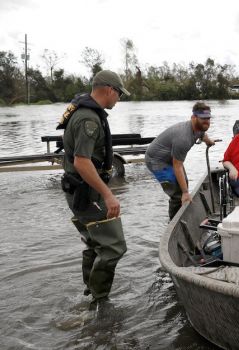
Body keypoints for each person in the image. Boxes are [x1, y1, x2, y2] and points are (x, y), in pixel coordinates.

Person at [58, 70, 130, 303]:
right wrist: (108, 195)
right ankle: (100, 301)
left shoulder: (85, 112)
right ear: (109, 89)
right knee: (114, 247)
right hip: (86, 194)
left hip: (81, 191)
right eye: (119, 93)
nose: (119, 98)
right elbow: (81, 162)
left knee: (94, 242)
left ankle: (90, 291)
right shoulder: (88, 118)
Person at [145, 102, 215, 220]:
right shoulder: (183, 138)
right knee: (177, 194)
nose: (206, 122)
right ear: (193, 118)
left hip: (171, 158)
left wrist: (208, 141)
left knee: (184, 185)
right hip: (157, 161)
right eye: (203, 119)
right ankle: (173, 223)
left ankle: (182, 213)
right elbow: (177, 166)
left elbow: (202, 133)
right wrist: (185, 192)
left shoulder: (199, 127)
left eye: (208, 118)